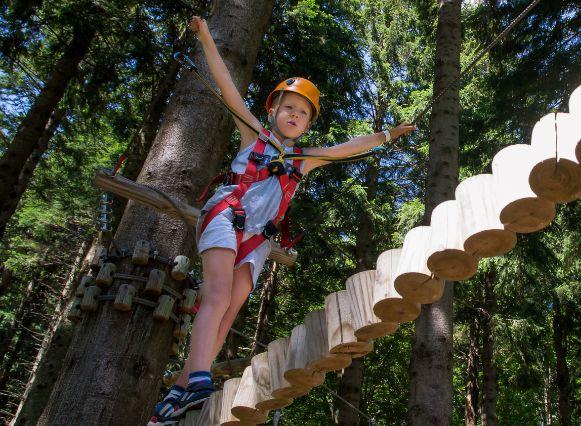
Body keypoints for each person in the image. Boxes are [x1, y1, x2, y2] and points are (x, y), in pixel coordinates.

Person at [148, 15, 415, 425]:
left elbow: (346, 148)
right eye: (288, 107)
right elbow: (227, 87)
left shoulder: (302, 161)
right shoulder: (253, 134)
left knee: (230, 309)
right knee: (216, 296)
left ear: (308, 123)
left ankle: (180, 390)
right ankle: (199, 379)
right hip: (226, 214)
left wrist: (386, 136)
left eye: (303, 114)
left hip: (256, 240)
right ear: (273, 109)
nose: (294, 115)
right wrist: (205, 36)